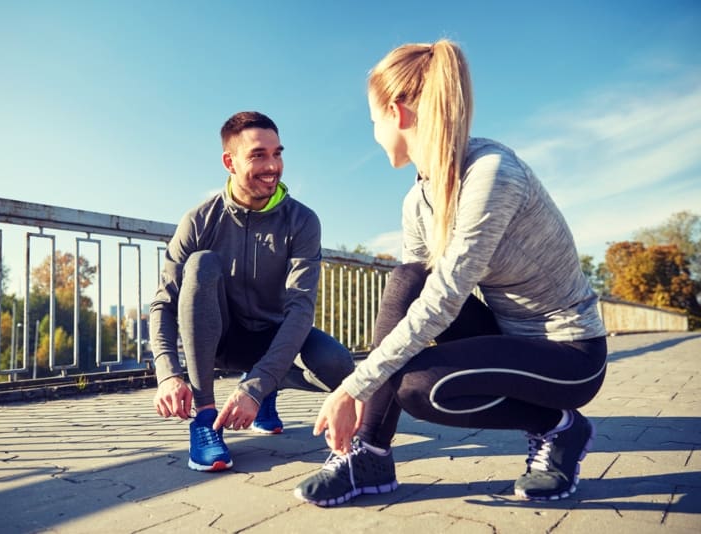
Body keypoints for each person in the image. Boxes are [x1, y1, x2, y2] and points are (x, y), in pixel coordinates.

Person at [294, 40, 607, 505]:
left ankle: (561, 427)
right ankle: (370, 454)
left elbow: (444, 301)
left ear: (398, 113)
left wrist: (351, 387)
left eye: (373, 121)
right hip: (507, 336)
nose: (375, 133)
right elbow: (415, 297)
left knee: (420, 388)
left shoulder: (492, 174)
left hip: (569, 354)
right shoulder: (417, 200)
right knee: (405, 279)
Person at [150, 111, 354, 472]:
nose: (273, 166)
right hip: (219, 340)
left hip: (273, 338)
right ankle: (206, 419)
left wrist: (255, 388)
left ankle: (265, 389)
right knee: (201, 264)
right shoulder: (199, 220)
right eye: (259, 155)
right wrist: (167, 374)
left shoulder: (302, 221)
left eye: (278, 153)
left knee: (339, 365)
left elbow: (300, 310)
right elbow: (164, 303)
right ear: (229, 162)